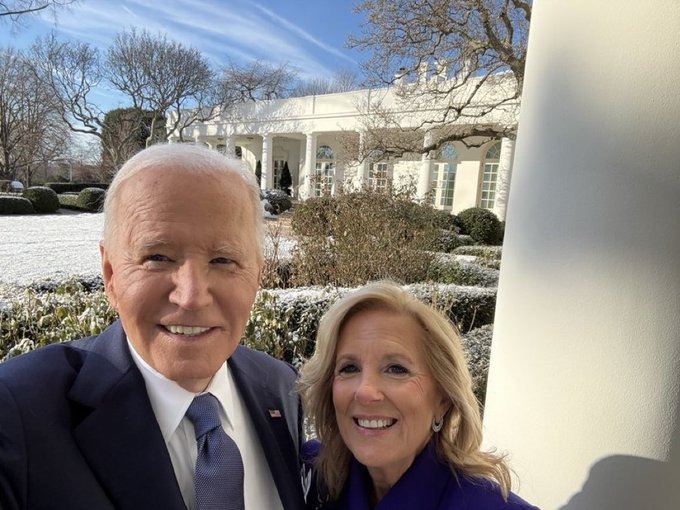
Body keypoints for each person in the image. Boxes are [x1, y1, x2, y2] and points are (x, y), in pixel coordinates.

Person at [0, 144, 306, 510]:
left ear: (257, 274)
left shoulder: (281, 386)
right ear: (110, 274)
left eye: (224, 259)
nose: (191, 297)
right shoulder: (17, 413)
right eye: (157, 257)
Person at [299, 282, 538, 510]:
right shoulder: (309, 475)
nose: (365, 391)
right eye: (349, 368)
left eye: (396, 369)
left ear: (443, 400)